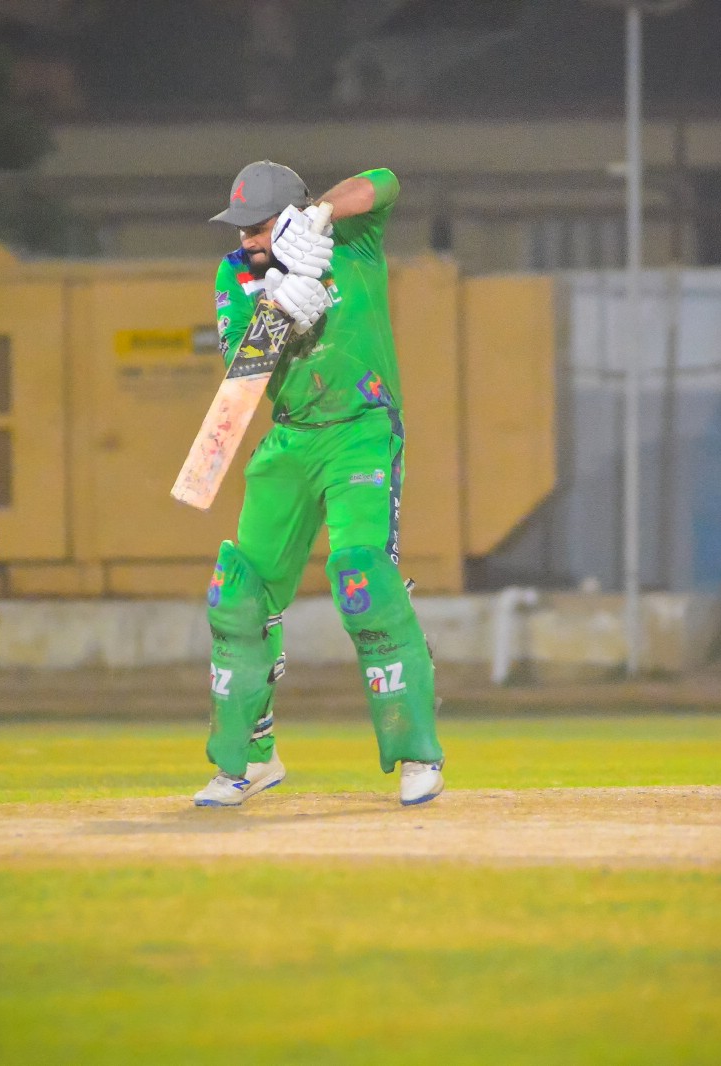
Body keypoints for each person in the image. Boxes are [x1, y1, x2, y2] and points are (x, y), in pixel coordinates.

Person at [195, 160, 445, 808]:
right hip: (289, 437)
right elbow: (243, 375)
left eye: (259, 226)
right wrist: (277, 314)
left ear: (290, 212)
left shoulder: (350, 240)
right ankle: (249, 762)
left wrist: (321, 216)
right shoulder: (234, 274)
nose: (248, 239)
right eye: (241, 228)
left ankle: (417, 753)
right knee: (238, 595)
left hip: (361, 427)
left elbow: (385, 181)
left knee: (362, 579)